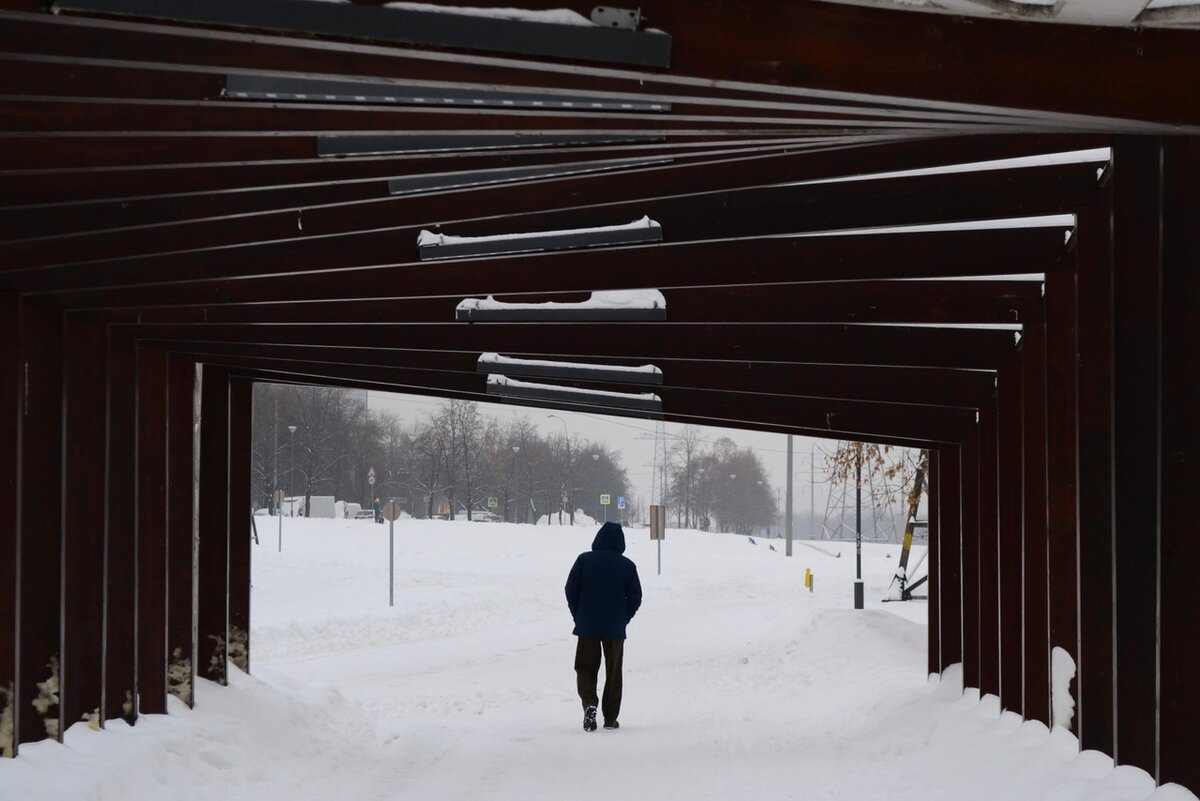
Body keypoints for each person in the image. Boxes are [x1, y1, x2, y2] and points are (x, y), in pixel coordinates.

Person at [564, 521, 642, 732]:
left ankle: (589, 703)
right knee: (613, 671)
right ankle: (610, 717)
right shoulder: (627, 566)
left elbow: (570, 589)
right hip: (615, 626)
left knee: (585, 667)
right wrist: (624, 617)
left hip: (587, 623)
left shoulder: (584, 560)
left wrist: (578, 615)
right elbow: (636, 596)